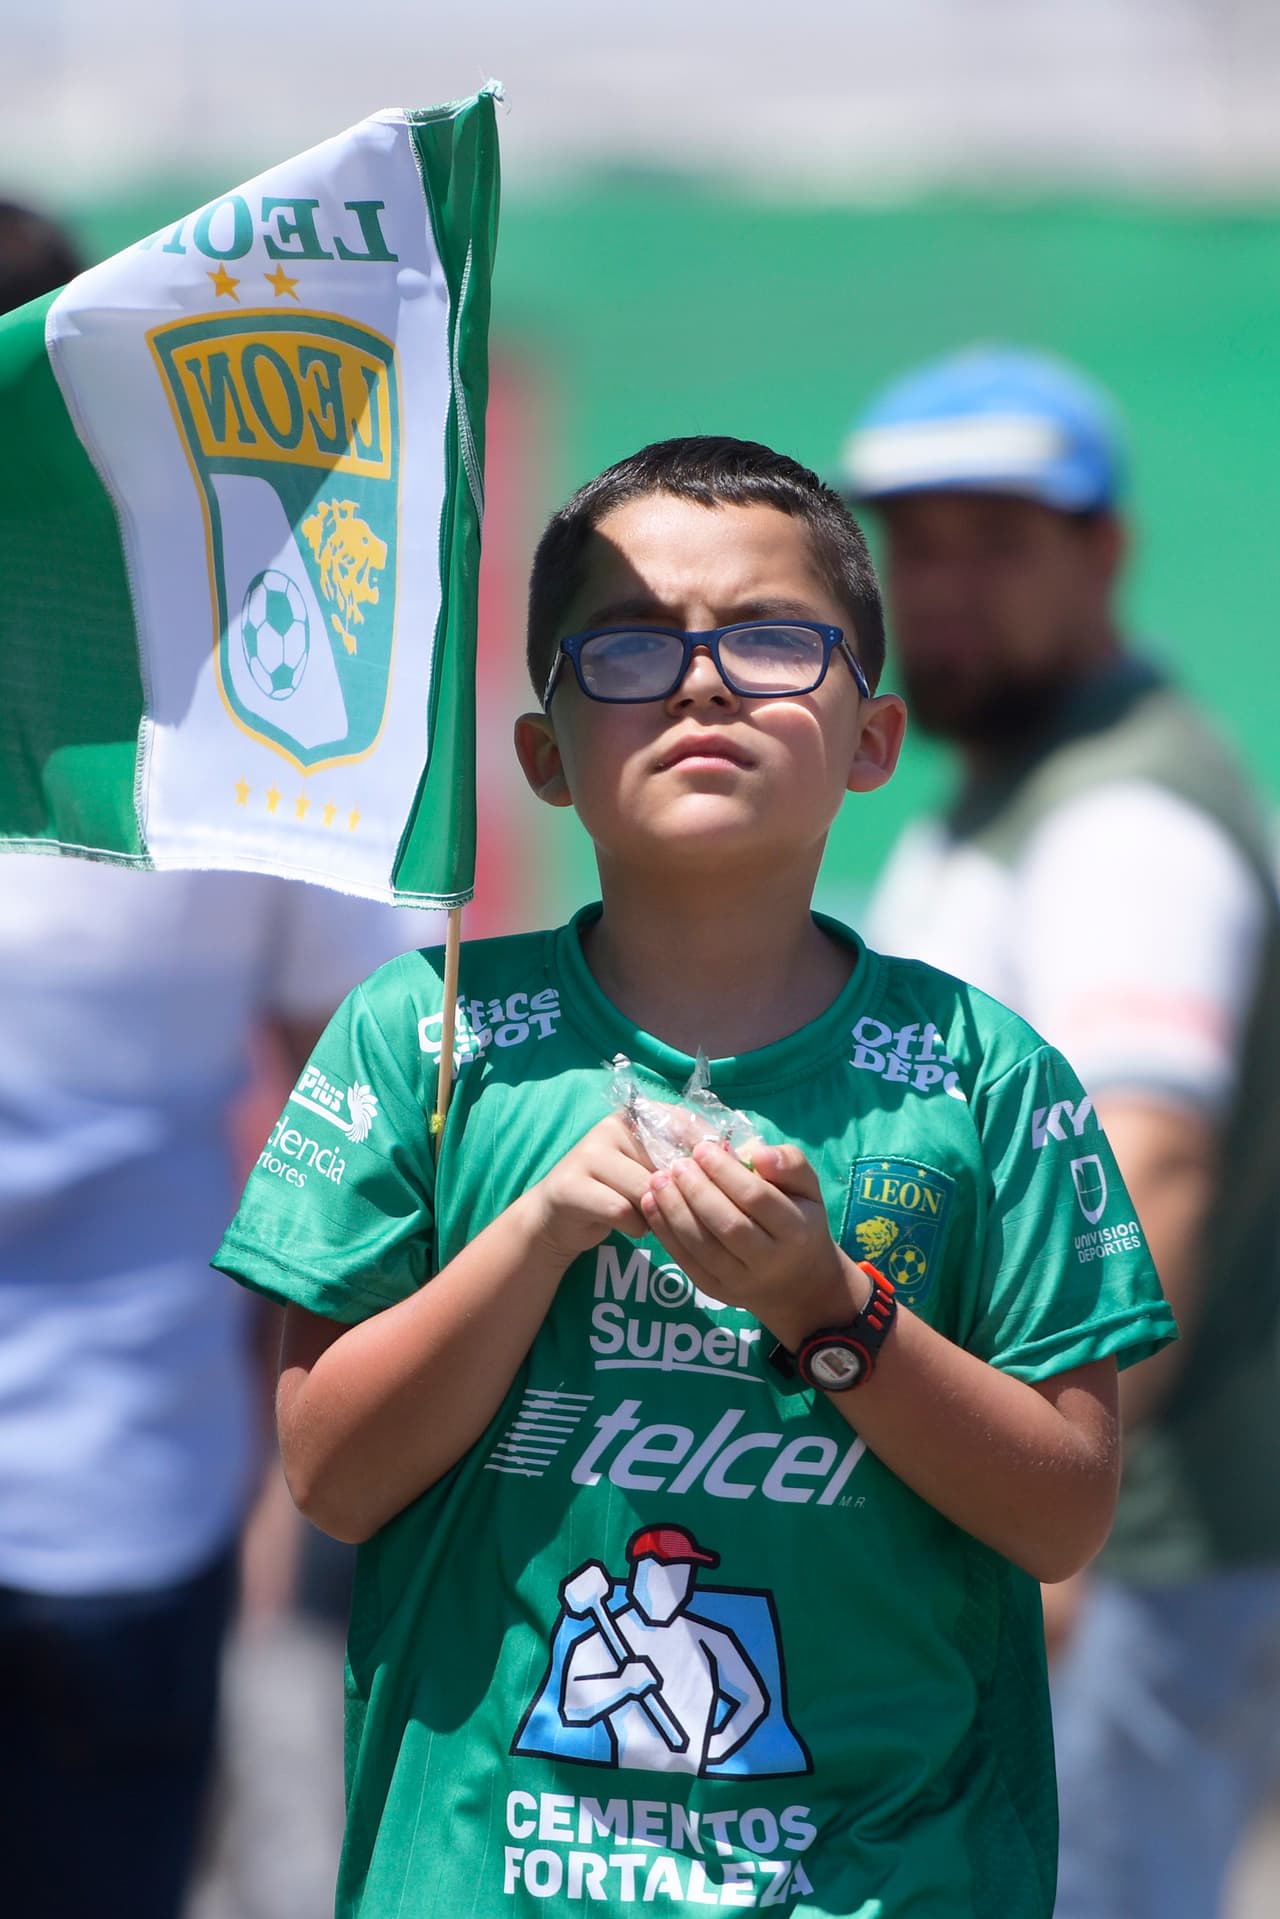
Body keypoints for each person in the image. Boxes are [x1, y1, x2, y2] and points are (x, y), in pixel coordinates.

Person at [214, 434, 1177, 1918]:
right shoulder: (428, 1034)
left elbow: (1063, 1517)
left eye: (774, 642)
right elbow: (330, 1477)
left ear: (870, 739)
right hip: (483, 1876)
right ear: (542, 754)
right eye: (630, 647)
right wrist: (533, 1233)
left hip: (887, 1878)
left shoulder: (987, 1073)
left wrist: (827, 1308)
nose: (704, 681)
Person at [0, 200, 444, 1919]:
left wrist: (324, 1401)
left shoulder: (221, 714)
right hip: (145, 1497)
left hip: (126, 1512)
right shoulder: (222, 705)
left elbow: (391, 1069)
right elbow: (389, 1070)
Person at [840, 345, 1280, 1919]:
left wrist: (1049, 1522)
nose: (945, 589)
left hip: (1130, 1549)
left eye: (998, 544)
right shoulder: (1004, 793)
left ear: (1106, 553)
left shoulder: (1124, 823)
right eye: (920, 545)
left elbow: (1151, 1170)